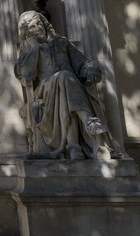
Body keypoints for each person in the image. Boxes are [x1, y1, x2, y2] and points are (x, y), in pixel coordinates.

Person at [14, 10, 117, 160]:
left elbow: (82, 62)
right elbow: (26, 75)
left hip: (69, 87)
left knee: (64, 81)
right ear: (27, 33)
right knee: (64, 77)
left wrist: (89, 70)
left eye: (39, 23)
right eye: (32, 27)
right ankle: (88, 122)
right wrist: (34, 48)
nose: (39, 27)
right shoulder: (27, 52)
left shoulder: (61, 43)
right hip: (44, 91)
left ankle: (74, 148)